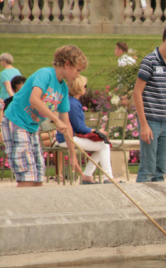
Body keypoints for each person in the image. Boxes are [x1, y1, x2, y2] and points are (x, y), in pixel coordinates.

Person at [1, 45, 86, 187]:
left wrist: (73, 156)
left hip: (32, 128)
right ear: (67, 64)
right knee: (27, 177)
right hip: (16, 121)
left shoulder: (63, 88)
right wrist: (56, 120)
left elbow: (67, 125)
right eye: (77, 70)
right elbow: (34, 99)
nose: (78, 75)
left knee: (39, 177)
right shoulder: (45, 74)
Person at [132, 22, 166, 182]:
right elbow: (137, 93)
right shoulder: (149, 61)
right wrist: (143, 124)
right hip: (150, 122)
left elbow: (165, 96)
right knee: (148, 169)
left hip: (164, 123)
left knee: (160, 171)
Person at [55, 75, 116, 184]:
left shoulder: (71, 101)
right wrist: (96, 131)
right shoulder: (73, 103)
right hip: (68, 139)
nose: (86, 88)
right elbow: (79, 127)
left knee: (102, 145)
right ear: (79, 87)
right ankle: (107, 177)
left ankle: (87, 176)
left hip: (67, 137)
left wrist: (95, 131)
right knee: (104, 145)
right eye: (85, 86)